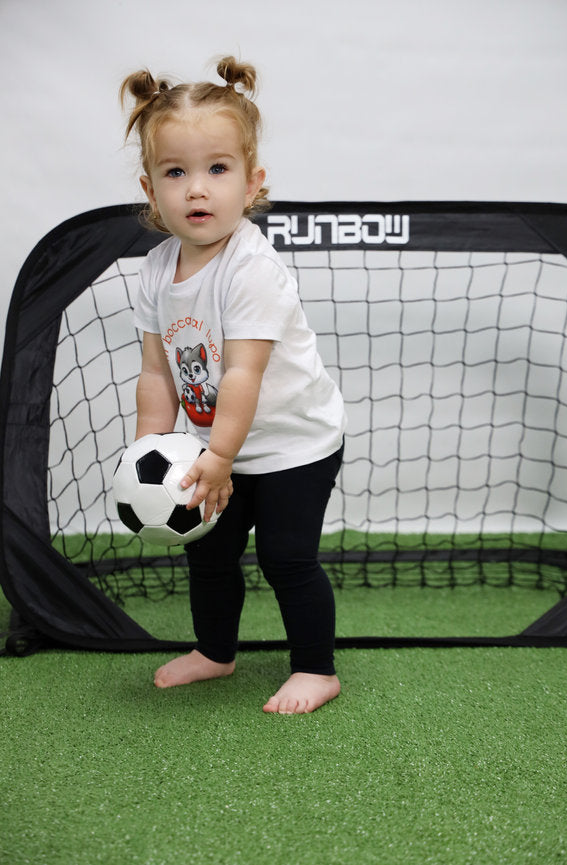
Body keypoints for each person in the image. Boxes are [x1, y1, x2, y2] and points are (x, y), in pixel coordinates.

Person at [120, 56, 346, 714]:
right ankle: (216, 652)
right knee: (209, 554)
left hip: (294, 443)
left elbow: (242, 374)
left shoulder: (251, 270)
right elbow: (157, 371)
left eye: (217, 169)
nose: (197, 189)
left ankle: (315, 668)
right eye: (175, 172)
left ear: (252, 184)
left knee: (285, 557)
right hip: (215, 447)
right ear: (150, 189)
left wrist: (220, 456)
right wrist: (152, 453)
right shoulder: (156, 268)